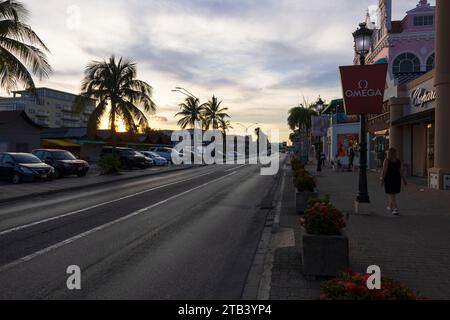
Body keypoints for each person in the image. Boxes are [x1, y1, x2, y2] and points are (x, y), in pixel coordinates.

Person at [380, 148, 407, 215]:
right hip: (397, 179)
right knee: (392, 194)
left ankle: (395, 209)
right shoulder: (399, 160)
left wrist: (382, 179)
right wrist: (404, 179)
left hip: (389, 179)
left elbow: (384, 171)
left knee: (391, 194)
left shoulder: (387, 160)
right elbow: (401, 171)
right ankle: (390, 206)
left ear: (388, 153)